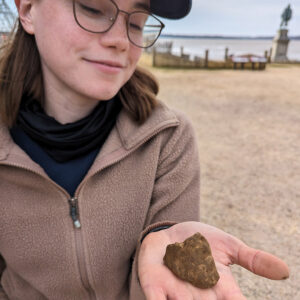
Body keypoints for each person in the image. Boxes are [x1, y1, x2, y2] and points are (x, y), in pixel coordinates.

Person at [0, 0, 289, 299]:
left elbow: (166, 272)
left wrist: (162, 247)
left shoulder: (168, 137)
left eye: (137, 23)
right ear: (27, 9)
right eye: (91, 8)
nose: (121, 40)